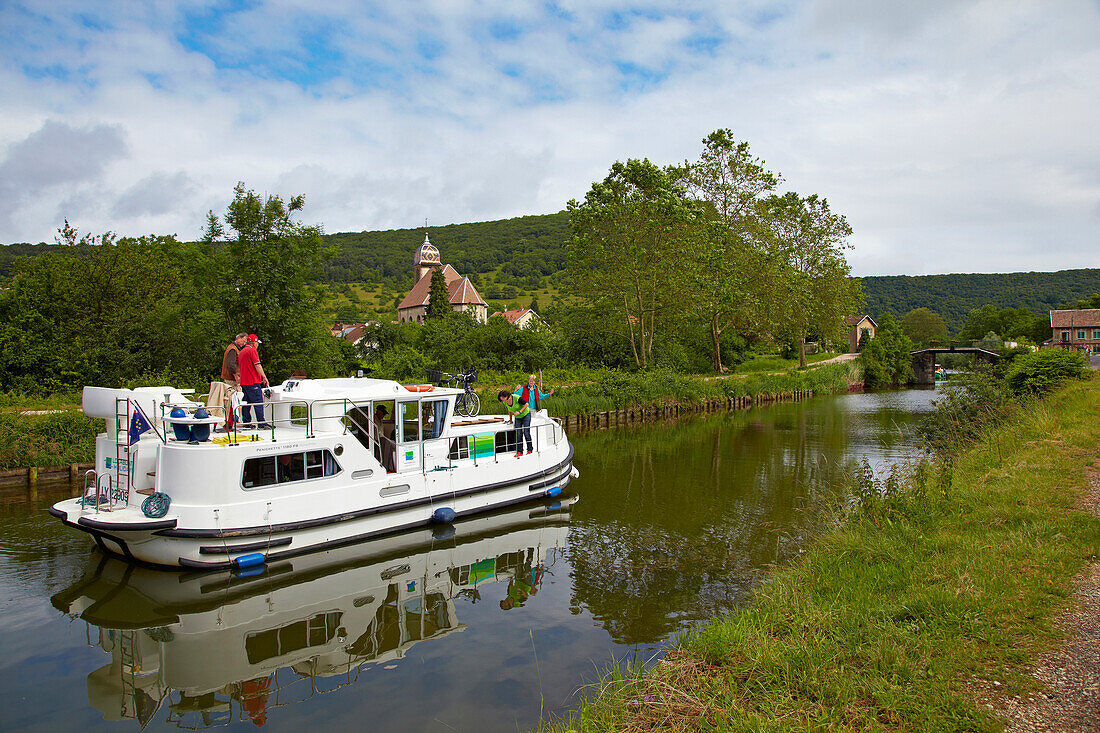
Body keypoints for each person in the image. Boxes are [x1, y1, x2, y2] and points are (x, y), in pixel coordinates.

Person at [213, 333, 248, 432]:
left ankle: (230, 424)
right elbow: (230, 365)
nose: (244, 343)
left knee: (232, 402)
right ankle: (228, 424)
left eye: (246, 342)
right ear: (238, 338)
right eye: (243, 340)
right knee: (232, 402)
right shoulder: (233, 349)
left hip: (231, 379)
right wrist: (236, 376)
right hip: (231, 380)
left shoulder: (233, 348)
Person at [238, 334, 271, 428]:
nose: (258, 345)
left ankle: (246, 423)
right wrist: (264, 377)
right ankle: (261, 423)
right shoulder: (252, 350)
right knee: (258, 402)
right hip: (252, 381)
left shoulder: (242, 351)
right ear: (254, 342)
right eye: (257, 343)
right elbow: (257, 365)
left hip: (244, 382)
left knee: (246, 403)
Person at [497, 389, 532, 457]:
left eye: (503, 399)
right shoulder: (505, 402)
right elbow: (509, 410)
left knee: (526, 432)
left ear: (507, 396)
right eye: (502, 400)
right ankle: (520, 451)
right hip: (518, 417)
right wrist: (510, 420)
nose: (503, 401)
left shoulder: (516, 398)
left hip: (525, 415)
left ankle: (529, 449)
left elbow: (526, 404)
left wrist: (520, 412)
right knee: (518, 433)